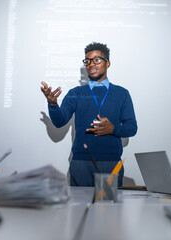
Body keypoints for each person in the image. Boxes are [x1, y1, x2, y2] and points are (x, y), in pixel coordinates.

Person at [41, 42, 137, 187]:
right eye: (88, 61)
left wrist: (113, 129)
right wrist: (53, 105)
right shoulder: (75, 93)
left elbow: (131, 128)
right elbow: (59, 122)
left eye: (97, 60)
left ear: (108, 63)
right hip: (80, 164)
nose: (91, 64)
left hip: (111, 163)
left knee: (109, 209)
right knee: (79, 208)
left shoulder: (122, 93)